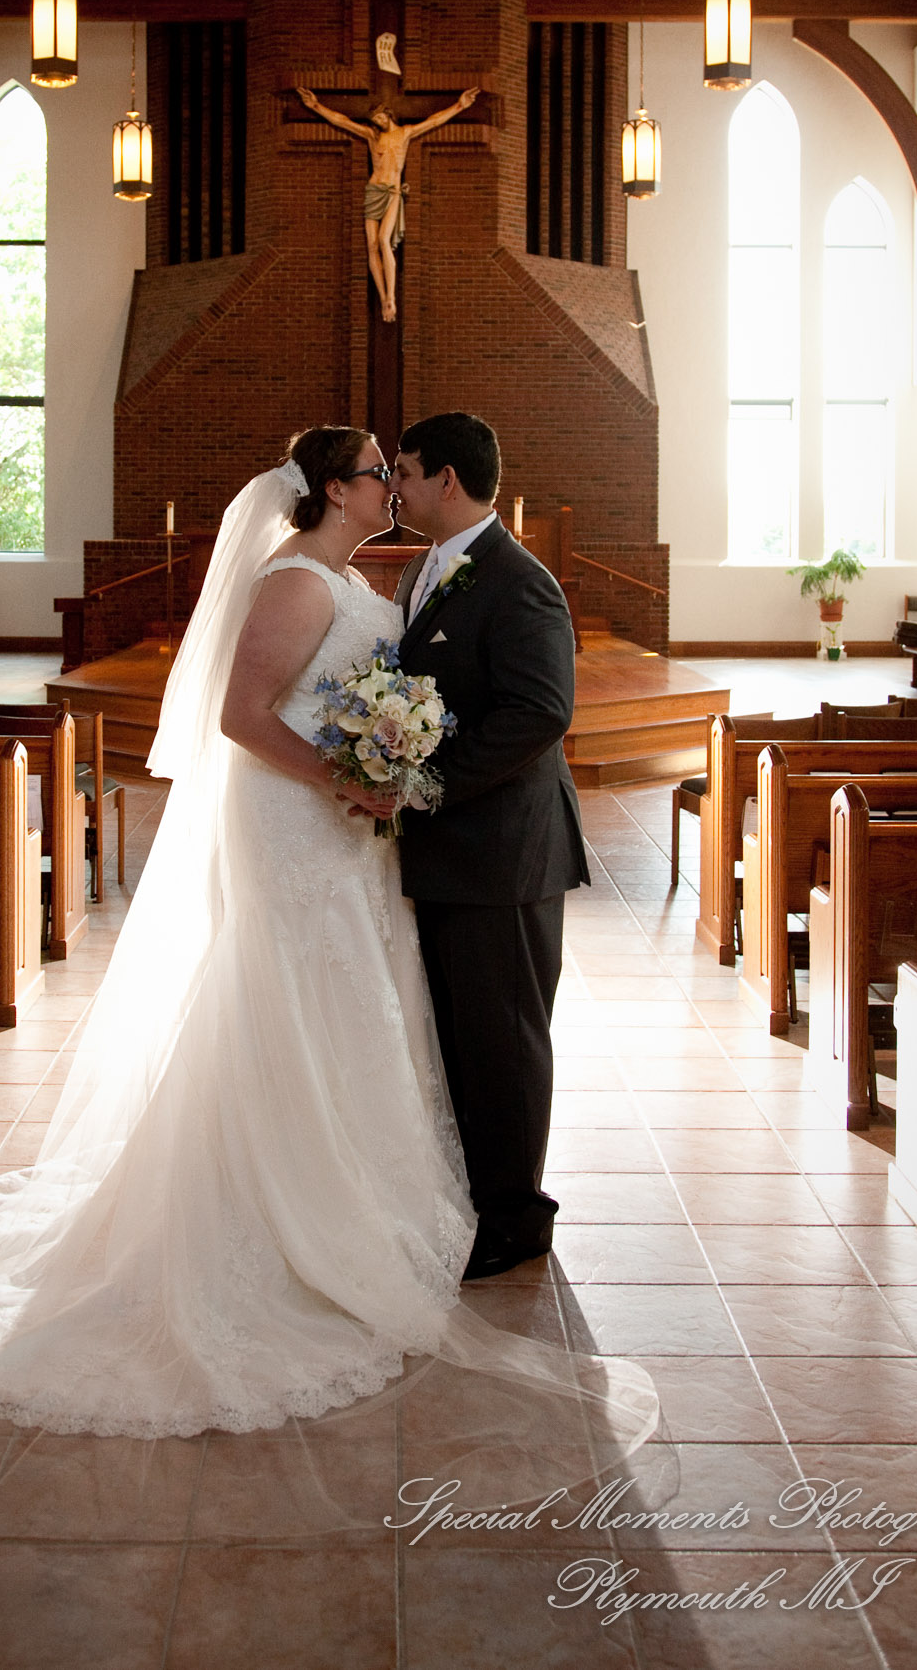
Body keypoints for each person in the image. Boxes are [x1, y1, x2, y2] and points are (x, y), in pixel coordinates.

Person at [0, 426, 658, 1531]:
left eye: (397, 470)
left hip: (356, 826)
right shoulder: (302, 578)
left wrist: (385, 776)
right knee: (292, 1003)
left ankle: (394, 1192)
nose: (387, 484)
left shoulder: (388, 577)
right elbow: (241, 714)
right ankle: (287, 1213)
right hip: (305, 822)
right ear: (331, 491)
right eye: (374, 471)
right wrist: (354, 781)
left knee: (363, 1008)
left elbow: (488, 703)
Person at [391, 412, 588, 1281]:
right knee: (462, 1035)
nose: (395, 485)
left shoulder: (519, 580)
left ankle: (516, 1216)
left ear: (447, 480)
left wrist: (427, 783)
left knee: (503, 1038)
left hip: (502, 852)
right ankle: (473, 1195)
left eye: (404, 470)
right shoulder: (425, 571)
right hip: (452, 849)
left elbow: (541, 712)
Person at [294, 85, 480, 322]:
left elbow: (434, 121)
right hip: (373, 191)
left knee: (383, 240)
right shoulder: (373, 137)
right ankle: (383, 298)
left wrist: (460, 105)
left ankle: (392, 295)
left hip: (392, 191)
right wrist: (316, 106)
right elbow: (343, 121)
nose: (378, 121)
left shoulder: (404, 133)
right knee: (371, 245)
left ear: (388, 114)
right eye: (374, 119)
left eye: (380, 116)